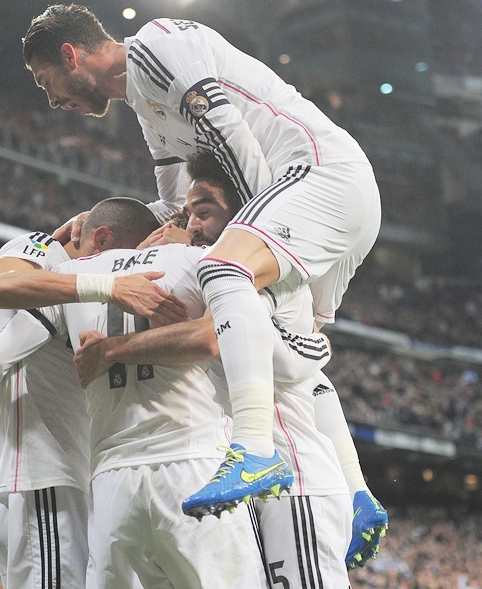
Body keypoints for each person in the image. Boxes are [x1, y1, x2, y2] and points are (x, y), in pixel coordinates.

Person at [22, 4, 382, 515]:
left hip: (319, 177)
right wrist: (97, 218)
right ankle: (357, 495)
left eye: (45, 82)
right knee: (288, 350)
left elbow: (235, 141)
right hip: (313, 203)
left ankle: (254, 450)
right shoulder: (149, 110)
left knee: (223, 272)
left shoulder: (156, 44)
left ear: (70, 54)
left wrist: (245, 239)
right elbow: (174, 209)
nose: (53, 100)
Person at [75, 152, 388, 571]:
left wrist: (110, 350)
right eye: (188, 216)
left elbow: (218, 342)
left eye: (203, 212)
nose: (192, 227)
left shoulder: (259, 274)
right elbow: (317, 381)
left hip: (294, 483)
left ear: (244, 216)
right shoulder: (209, 276)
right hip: (245, 481)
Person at [0, 201, 274, 588]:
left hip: (113, 479)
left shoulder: (69, 274)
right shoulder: (203, 260)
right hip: (191, 459)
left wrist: (100, 347)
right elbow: (210, 336)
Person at [0, 197, 160, 588]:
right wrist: (103, 286)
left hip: (59, 477)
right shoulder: (44, 252)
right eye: (124, 259)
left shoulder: (72, 281)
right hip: (44, 477)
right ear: (102, 239)